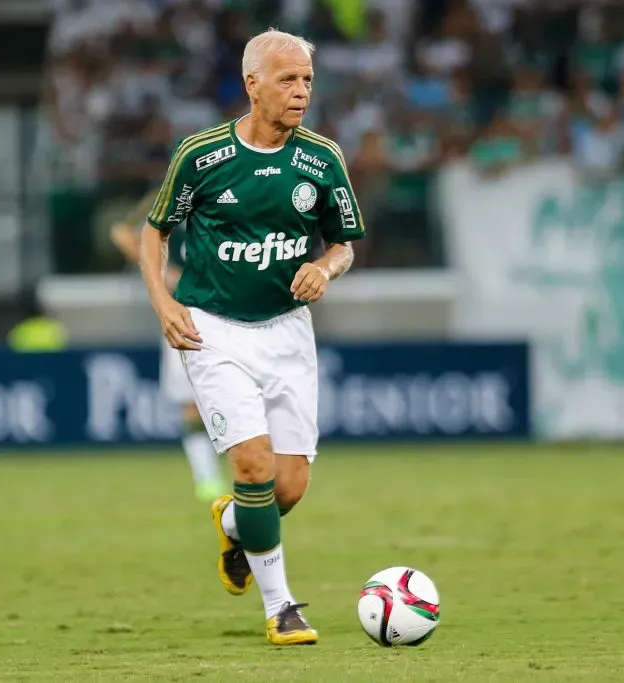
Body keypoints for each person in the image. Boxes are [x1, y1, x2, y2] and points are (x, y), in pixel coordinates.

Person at [138, 29, 365, 646]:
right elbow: (155, 233)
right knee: (253, 463)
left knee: (285, 487)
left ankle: (236, 524)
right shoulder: (202, 155)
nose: (300, 92)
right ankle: (281, 607)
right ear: (252, 84)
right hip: (212, 328)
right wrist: (163, 301)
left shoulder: (321, 160)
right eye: (288, 80)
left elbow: (342, 244)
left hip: (287, 331)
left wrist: (323, 268)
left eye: (308, 81)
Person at [110, 194, 226, 502]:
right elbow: (126, 234)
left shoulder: (235, 194)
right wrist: (159, 269)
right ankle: (207, 478)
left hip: (233, 315)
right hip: (185, 316)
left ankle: (252, 469)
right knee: (190, 404)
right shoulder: (170, 206)